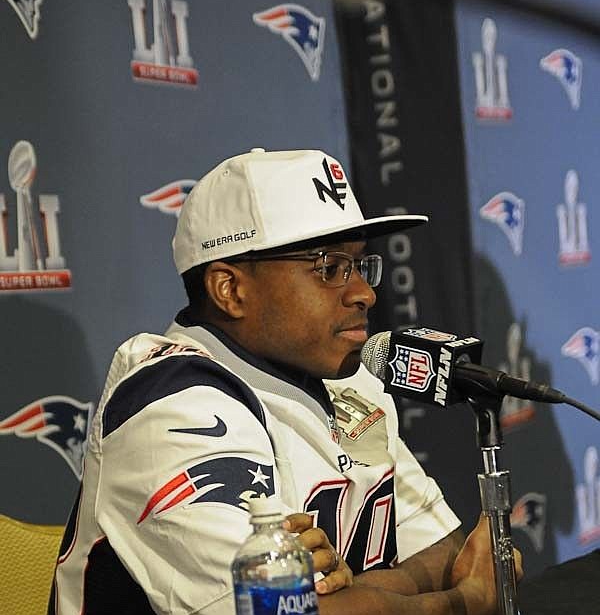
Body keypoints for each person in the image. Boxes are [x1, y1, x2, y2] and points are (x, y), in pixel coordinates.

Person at [49, 148, 522, 615]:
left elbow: (447, 550)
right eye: (329, 268)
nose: (364, 293)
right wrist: (465, 602)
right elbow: (278, 610)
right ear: (230, 290)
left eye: (359, 264)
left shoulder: (348, 375)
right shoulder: (169, 406)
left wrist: (359, 594)